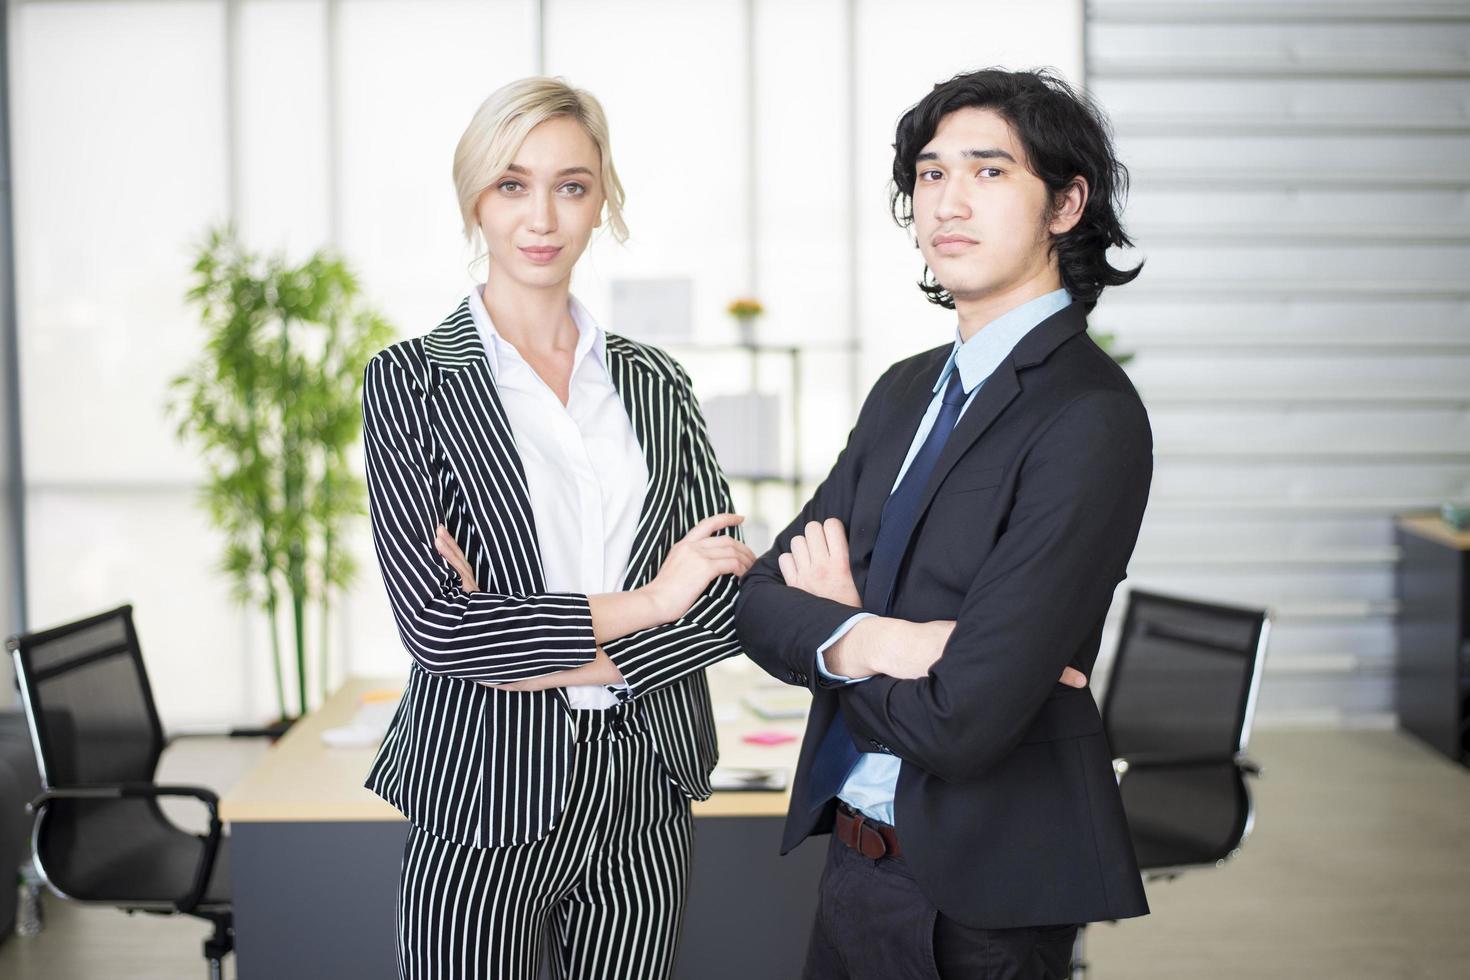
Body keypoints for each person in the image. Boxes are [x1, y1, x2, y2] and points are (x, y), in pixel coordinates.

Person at [734, 67, 1153, 980]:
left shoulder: (1088, 416)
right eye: (930, 175)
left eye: (989, 172)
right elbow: (758, 601)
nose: (949, 202)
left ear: (1066, 203)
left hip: (979, 903)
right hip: (852, 862)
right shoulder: (906, 389)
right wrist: (881, 636)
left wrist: (832, 629)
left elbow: (965, 721)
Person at [360, 76, 755, 980]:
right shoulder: (411, 380)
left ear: (601, 199)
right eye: (512, 184)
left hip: (642, 791)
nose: (542, 216)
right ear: (475, 199)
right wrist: (655, 600)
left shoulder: (655, 382)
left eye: (571, 186)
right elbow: (438, 627)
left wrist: (534, 646)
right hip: (481, 794)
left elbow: (724, 593)